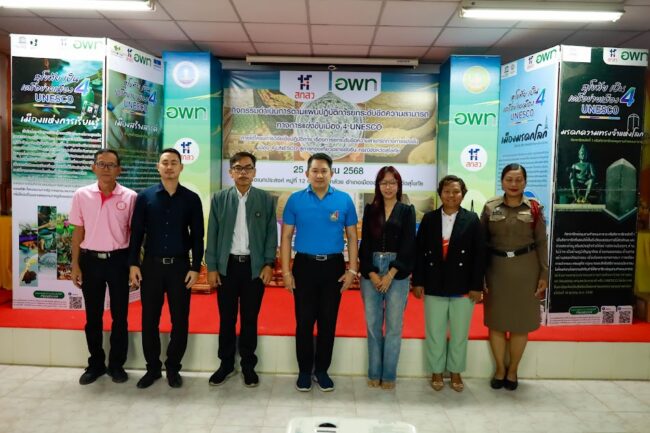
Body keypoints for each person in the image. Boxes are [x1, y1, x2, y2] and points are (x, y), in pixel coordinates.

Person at [280, 152, 358, 392]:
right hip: (304, 266)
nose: (319, 175)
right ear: (307, 173)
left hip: (333, 267)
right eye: (315, 171)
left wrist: (352, 269)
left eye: (324, 171)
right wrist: (286, 272)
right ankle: (304, 371)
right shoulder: (295, 200)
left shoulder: (344, 200)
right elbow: (286, 236)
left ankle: (322, 370)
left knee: (328, 321)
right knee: (304, 322)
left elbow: (352, 236)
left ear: (332, 174)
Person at [128, 148, 204, 389]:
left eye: (173, 163)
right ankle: (152, 368)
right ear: (158, 167)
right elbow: (136, 233)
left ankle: (173, 368)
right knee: (149, 319)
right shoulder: (145, 197)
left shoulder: (191, 199)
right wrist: (133, 263)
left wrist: (195, 267)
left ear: (181, 167)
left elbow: (198, 236)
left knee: (180, 320)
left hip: (180, 267)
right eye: (165, 163)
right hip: (151, 266)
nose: (169, 167)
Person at [205, 152, 277, 387]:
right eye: (238, 168)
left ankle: (248, 365)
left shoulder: (265, 199)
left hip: (254, 269)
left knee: (249, 318)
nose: (243, 172)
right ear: (231, 172)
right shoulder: (219, 199)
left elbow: (271, 235)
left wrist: (268, 264)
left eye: (248, 168)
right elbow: (212, 235)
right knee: (226, 318)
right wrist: (212, 267)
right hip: (227, 268)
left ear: (254, 172)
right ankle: (226, 364)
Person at [69, 149, 137, 385]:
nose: (106, 169)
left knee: (120, 316)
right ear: (93, 167)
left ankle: (116, 365)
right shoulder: (81, 195)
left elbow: (135, 235)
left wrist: (133, 265)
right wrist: (75, 264)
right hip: (90, 262)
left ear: (119, 169)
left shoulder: (130, 197)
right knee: (93, 316)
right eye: (101, 164)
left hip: (119, 261)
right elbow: (77, 232)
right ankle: (95, 364)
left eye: (111, 165)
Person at [412, 175, 485, 392]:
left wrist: (477, 286)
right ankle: (436, 370)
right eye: (446, 191)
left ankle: (455, 371)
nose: (451, 195)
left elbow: (479, 255)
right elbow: (419, 253)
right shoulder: (429, 219)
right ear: (440, 193)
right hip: (434, 283)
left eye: (456, 191)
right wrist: (418, 281)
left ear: (463, 193)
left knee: (460, 333)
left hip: (463, 285)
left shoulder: (472, 219)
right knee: (435, 331)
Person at [481, 163, 548, 391]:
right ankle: (500, 369)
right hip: (496, 270)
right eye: (509, 179)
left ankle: (513, 371)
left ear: (525, 182)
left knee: (521, 324)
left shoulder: (534, 208)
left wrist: (544, 273)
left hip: (526, 271)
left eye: (519, 180)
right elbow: (481, 243)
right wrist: (479, 274)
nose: (514, 184)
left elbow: (542, 243)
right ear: (502, 181)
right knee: (496, 322)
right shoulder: (490, 207)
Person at [358, 166, 415, 390]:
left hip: (397, 272)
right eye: (384, 183)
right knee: (373, 326)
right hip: (372, 268)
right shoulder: (370, 210)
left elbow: (409, 245)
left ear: (398, 185)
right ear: (378, 186)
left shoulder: (407, 210)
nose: (388, 187)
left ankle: (389, 375)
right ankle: (374, 372)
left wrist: (391, 273)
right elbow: (365, 244)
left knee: (393, 327)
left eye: (392, 182)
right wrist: (372, 274)